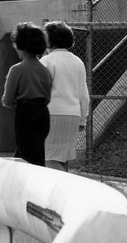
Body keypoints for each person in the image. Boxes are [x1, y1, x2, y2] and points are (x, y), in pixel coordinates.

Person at [40, 21, 89, 172]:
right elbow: (84, 95)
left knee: (49, 157)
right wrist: (83, 119)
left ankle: (61, 191)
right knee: (62, 157)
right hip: (73, 115)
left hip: (51, 114)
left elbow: (41, 90)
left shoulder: (47, 61)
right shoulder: (78, 62)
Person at [1, 22, 52, 166]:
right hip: (43, 113)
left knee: (25, 153)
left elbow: (8, 100)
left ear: (20, 45)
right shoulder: (45, 70)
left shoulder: (17, 69)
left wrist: (12, 101)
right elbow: (47, 97)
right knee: (37, 150)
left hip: (25, 113)